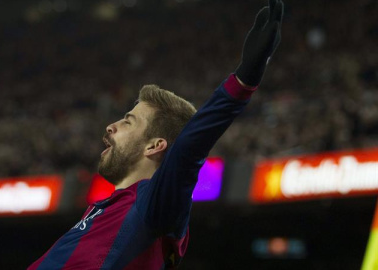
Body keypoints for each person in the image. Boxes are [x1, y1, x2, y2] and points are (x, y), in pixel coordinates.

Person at [28, 0, 283, 269]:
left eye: (128, 122)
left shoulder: (152, 205)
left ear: (154, 145)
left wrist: (242, 82)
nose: (110, 127)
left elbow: (189, 148)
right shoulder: (107, 208)